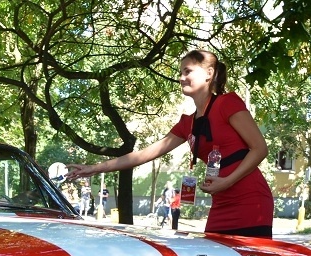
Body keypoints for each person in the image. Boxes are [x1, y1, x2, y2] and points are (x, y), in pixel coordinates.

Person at [66, 49, 274, 238]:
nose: (181, 78)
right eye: (180, 73)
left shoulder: (227, 102)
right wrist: (93, 169)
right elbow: (144, 154)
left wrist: (227, 181)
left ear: (209, 73)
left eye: (187, 71)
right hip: (221, 203)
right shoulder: (187, 123)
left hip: (250, 200)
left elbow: (259, 149)